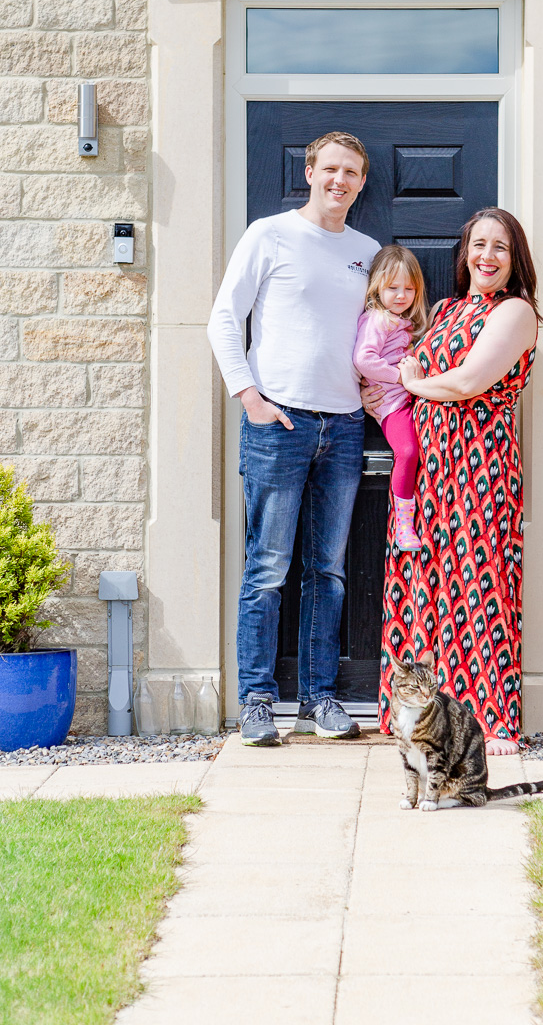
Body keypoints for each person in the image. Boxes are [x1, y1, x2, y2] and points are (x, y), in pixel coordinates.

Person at [208, 131, 380, 746]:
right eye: (330, 168)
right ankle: (257, 701)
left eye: (352, 172)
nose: (340, 180)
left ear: (363, 182)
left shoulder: (368, 251)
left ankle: (320, 700)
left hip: (343, 426)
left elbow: (380, 333)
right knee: (266, 568)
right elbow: (224, 318)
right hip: (278, 422)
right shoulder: (269, 234)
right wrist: (249, 398)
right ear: (309, 171)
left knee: (327, 570)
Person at [374, 208, 542, 756]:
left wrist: (415, 382)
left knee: (479, 584)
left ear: (514, 259)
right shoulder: (442, 309)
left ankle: (493, 720)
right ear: (464, 252)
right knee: (425, 583)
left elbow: (470, 380)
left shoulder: (516, 312)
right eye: (478, 245)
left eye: (500, 248)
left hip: (479, 464)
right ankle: (421, 715)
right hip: (429, 467)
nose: (487, 257)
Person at [352, 245, 428, 552]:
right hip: (393, 403)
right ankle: (403, 525)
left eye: (409, 289)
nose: (401, 295)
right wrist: (402, 378)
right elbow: (363, 360)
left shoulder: (399, 322)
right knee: (407, 451)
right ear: (376, 289)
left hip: (409, 400)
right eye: (392, 288)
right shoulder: (377, 320)